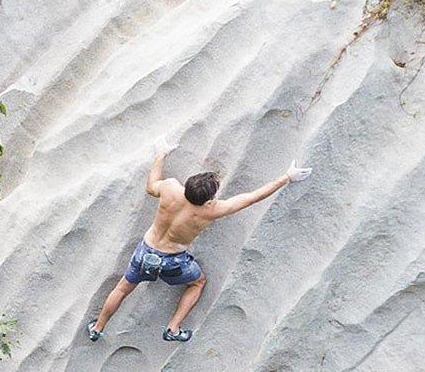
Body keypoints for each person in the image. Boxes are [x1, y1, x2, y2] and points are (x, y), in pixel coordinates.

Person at [86, 140, 310, 343]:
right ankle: (173, 328)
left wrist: (161, 154)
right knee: (198, 282)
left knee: (123, 288)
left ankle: (97, 327)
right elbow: (252, 197)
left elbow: (151, 185)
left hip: (146, 251)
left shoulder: (170, 188)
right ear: (209, 199)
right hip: (172, 261)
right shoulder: (211, 211)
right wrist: (287, 177)